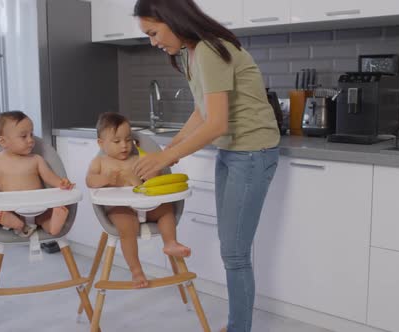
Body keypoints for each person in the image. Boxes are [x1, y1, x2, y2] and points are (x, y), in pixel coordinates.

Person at [132, 1, 280, 331]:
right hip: (231, 152)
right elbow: (201, 112)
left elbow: (215, 124)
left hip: (253, 152)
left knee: (235, 253)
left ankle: (238, 328)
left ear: (173, 19)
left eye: (153, 32)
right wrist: (170, 148)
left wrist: (167, 157)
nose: (153, 42)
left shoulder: (212, 50)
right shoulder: (189, 53)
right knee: (233, 250)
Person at [86, 112, 191, 288]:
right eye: (117, 141)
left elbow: (153, 180)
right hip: (121, 209)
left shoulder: (138, 159)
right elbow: (90, 181)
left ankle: (170, 242)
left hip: (147, 206)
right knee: (127, 229)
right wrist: (105, 179)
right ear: (101, 143)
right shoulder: (100, 162)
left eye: (128, 139)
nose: (124, 145)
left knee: (166, 210)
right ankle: (136, 270)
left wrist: (151, 172)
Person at [0, 111, 74, 237]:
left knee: (47, 214)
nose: (30, 140)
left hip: (38, 207)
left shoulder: (36, 159)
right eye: (24, 136)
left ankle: (52, 226)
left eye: (31, 134)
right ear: (3, 141)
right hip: (10, 208)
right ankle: (18, 225)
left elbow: (49, 177)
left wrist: (61, 182)